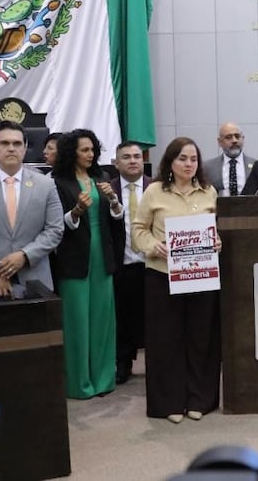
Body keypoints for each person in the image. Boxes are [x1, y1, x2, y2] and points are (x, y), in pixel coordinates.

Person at [131, 137, 222, 423]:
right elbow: (138, 229)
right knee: (166, 340)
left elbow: (216, 228)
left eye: (193, 159)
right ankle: (169, 402)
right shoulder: (155, 191)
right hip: (162, 276)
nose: (188, 164)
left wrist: (217, 241)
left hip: (201, 276)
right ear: (170, 161)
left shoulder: (208, 192)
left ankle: (200, 399)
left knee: (201, 338)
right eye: (182, 158)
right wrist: (150, 245)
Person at [0, 121, 63, 304]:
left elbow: (55, 229)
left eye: (17, 144)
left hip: (36, 285)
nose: (11, 148)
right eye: (5, 143)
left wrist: (25, 255)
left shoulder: (46, 185)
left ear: (25, 148)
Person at [51, 129, 122, 399]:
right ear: (72, 152)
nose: (90, 155)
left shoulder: (102, 178)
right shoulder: (58, 182)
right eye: (84, 150)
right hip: (73, 257)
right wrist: (77, 211)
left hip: (102, 256)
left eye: (93, 149)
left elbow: (116, 217)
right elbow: (56, 225)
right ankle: (79, 383)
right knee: (77, 321)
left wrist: (114, 200)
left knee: (103, 320)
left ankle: (103, 379)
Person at [109, 141, 152, 384]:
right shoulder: (106, 189)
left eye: (137, 156)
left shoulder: (156, 187)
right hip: (122, 265)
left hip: (152, 264)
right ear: (116, 163)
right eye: (126, 157)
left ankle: (155, 365)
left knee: (154, 318)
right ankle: (123, 364)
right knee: (122, 319)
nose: (133, 160)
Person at [204, 122, 256, 197]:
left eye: (237, 136)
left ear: (243, 139)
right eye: (228, 137)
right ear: (220, 142)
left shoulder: (257, 166)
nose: (234, 140)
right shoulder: (208, 167)